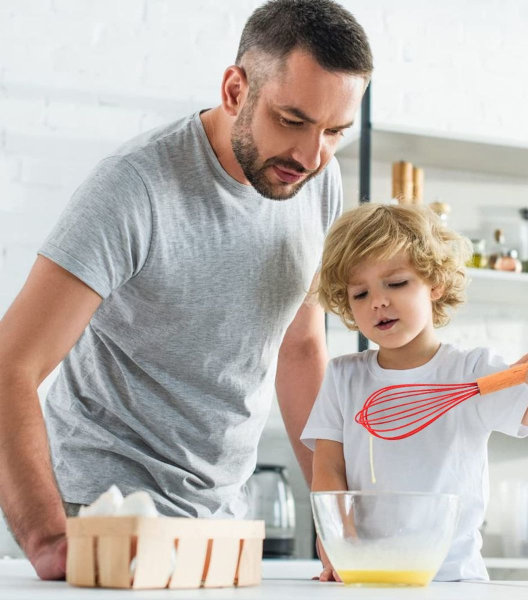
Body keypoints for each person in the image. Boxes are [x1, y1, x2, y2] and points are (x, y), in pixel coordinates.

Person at [0, 0, 372, 580]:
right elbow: (10, 364)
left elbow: (300, 349)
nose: (310, 154)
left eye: (334, 132)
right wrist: (48, 539)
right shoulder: (136, 187)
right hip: (106, 515)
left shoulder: (317, 180)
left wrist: (335, 517)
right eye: (292, 121)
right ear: (234, 89)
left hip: (220, 524)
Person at [301, 202, 528, 582]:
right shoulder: (343, 377)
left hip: (454, 579)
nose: (378, 302)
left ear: (434, 283)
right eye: (360, 294)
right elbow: (329, 470)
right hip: (367, 575)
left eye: (397, 283)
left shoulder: (471, 373)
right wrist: (340, 542)